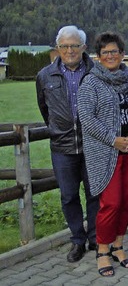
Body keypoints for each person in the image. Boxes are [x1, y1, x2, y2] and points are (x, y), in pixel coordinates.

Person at [77, 32, 128, 277]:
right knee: (111, 204)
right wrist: (114, 140)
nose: (110, 55)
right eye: (105, 52)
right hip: (107, 154)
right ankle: (103, 250)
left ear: (122, 54)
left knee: (127, 203)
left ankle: (118, 245)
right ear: (98, 56)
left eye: (114, 51)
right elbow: (86, 118)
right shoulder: (91, 83)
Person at [36, 25, 99, 263]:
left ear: (84, 47)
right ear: (57, 48)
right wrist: (58, 130)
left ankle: (94, 238)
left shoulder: (97, 72)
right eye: (64, 46)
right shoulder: (44, 76)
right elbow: (45, 110)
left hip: (92, 146)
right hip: (62, 148)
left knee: (95, 194)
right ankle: (77, 240)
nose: (69, 50)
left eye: (74, 45)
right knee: (68, 195)